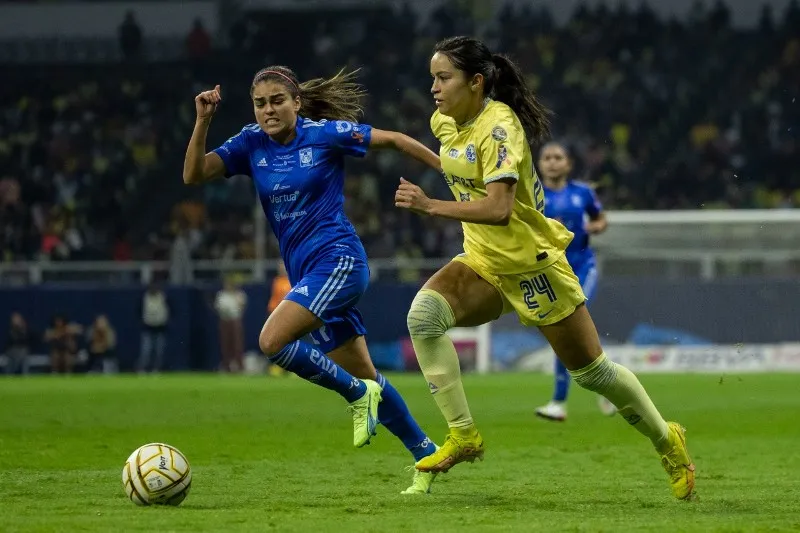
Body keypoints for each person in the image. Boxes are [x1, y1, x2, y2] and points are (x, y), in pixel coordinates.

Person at [394, 36, 695, 500]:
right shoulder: (446, 120)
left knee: (592, 372)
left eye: (442, 77)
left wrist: (429, 205)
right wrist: (403, 148)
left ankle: (666, 438)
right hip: (483, 260)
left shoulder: (499, 128)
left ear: (475, 82)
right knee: (424, 318)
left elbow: (497, 207)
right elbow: (459, 168)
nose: (433, 88)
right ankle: (463, 435)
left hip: (532, 265)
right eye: (432, 77)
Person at [183, 66, 443, 493]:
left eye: (277, 101)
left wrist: (447, 171)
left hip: (338, 262)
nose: (268, 110)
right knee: (368, 375)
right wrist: (203, 121)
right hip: (308, 275)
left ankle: (356, 397)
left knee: (272, 342)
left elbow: (394, 139)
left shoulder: (323, 135)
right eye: (260, 103)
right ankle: (427, 455)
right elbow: (193, 174)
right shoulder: (251, 143)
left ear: (296, 102)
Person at [535, 141, 617, 421]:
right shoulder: (533, 195)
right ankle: (608, 389)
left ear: (568, 164)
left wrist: (593, 226)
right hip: (552, 273)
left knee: (568, 327)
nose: (553, 162)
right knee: (569, 334)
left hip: (583, 269)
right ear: (540, 163)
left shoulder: (582, 193)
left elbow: (601, 220)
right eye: (547, 157)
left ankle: (559, 402)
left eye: (558, 157)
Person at [214, 277, 247, 373]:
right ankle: (226, 367)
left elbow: (241, 306)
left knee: (237, 345)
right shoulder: (221, 295)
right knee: (225, 344)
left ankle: (240, 367)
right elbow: (219, 307)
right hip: (224, 320)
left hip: (235, 320)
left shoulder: (239, 294)